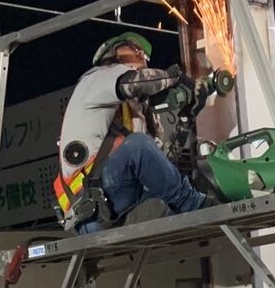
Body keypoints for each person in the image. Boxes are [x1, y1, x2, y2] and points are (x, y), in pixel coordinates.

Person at [53, 31, 208, 231]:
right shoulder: (96, 79)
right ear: (114, 53)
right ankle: (196, 205)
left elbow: (162, 164)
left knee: (173, 189)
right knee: (138, 145)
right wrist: (177, 77)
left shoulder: (137, 113)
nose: (143, 59)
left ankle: (193, 205)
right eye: (137, 51)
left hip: (118, 207)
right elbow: (134, 83)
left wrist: (186, 119)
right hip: (91, 205)